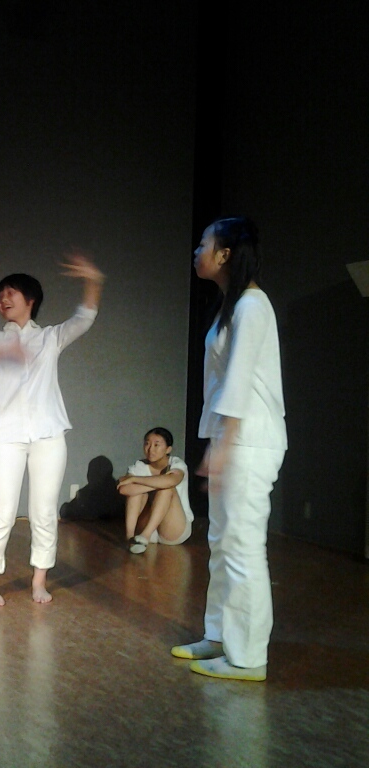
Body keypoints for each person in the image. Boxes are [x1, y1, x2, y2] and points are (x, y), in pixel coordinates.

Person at [171, 217, 286, 682]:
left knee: (241, 547)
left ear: (225, 254)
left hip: (249, 440)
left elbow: (238, 378)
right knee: (222, 544)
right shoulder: (233, 305)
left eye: (204, 244)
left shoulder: (253, 305)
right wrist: (217, 441)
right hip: (231, 437)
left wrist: (224, 445)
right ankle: (219, 636)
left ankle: (247, 657)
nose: (197, 251)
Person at [0, 254, 104, 607]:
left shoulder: (50, 338)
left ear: (30, 300)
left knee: (44, 511)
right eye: (0, 296)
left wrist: (93, 280)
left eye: (11, 293)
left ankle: (39, 579)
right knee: (3, 510)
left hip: (48, 435)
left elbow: (84, 319)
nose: (4, 300)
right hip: (6, 437)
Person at [118, 427, 193, 553]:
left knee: (167, 488)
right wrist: (155, 484)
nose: (150, 449)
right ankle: (130, 537)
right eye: (147, 444)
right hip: (145, 527)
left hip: (173, 529)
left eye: (156, 445)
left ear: (168, 449)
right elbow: (124, 489)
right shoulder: (139, 466)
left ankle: (145, 536)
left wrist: (134, 479)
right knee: (136, 491)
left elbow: (171, 481)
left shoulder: (176, 464)